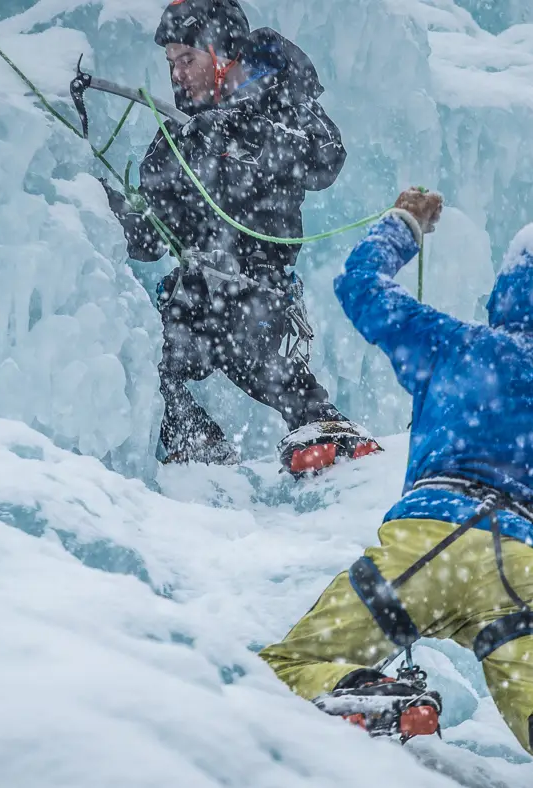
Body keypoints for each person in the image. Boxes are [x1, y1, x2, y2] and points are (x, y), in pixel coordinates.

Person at [259, 188, 533, 788]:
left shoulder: (459, 345)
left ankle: (359, 693)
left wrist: (404, 224)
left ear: (507, 290)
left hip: (430, 541)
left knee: (288, 667)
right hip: (525, 566)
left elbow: (361, 286)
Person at [102, 0, 378, 474]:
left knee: (255, 353)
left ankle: (328, 432)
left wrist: (240, 129)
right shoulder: (182, 134)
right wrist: (105, 207)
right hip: (196, 286)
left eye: (187, 59)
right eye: (171, 64)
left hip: (257, 284)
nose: (177, 75)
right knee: (149, 356)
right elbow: (151, 236)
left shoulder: (278, 97)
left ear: (221, 51)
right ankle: (198, 441)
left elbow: (325, 158)